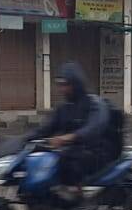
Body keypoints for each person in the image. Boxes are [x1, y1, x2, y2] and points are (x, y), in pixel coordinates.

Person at [27, 61, 112, 194]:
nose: (62, 89)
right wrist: (25, 139)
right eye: (60, 85)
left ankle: (77, 200)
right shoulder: (63, 107)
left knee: (66, 160)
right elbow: (47, 128)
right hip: (72, 150)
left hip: (96, 151)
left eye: (66, 85)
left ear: (76, 83)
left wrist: (68, 137)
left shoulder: (94, 104)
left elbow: (94, 127)